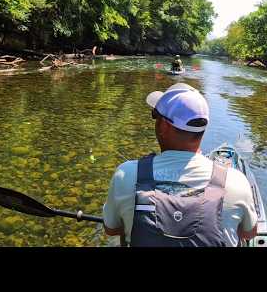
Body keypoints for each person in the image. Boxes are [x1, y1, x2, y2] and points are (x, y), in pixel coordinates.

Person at [103, 83, 258, 247]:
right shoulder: (236, 181)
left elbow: (111, 229)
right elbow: (249, 233)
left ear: (163, 126)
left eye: (155, 116)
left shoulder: (126, 174)